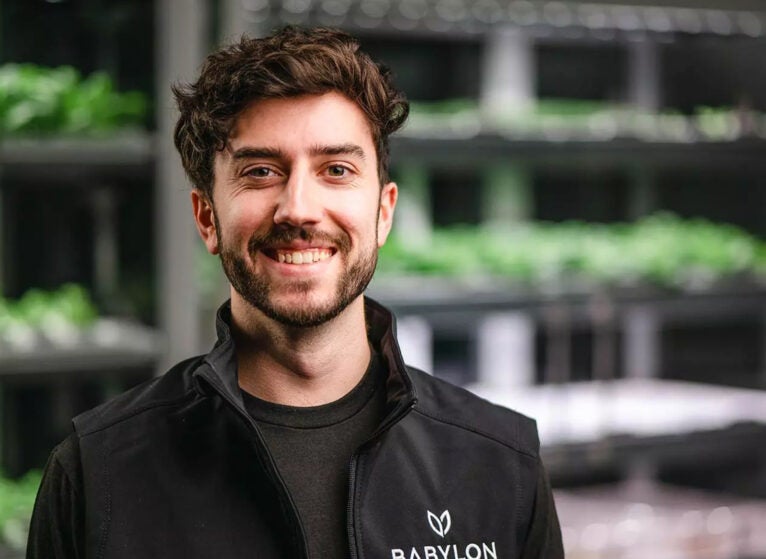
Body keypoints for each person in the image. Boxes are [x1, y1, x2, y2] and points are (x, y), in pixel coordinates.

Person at [27, 26, 562, 559]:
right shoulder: (95, 475)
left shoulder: (500, 463)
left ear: (382, 212)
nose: (299, 208)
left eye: (336, 169)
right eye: (261, 171)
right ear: (206, 217)